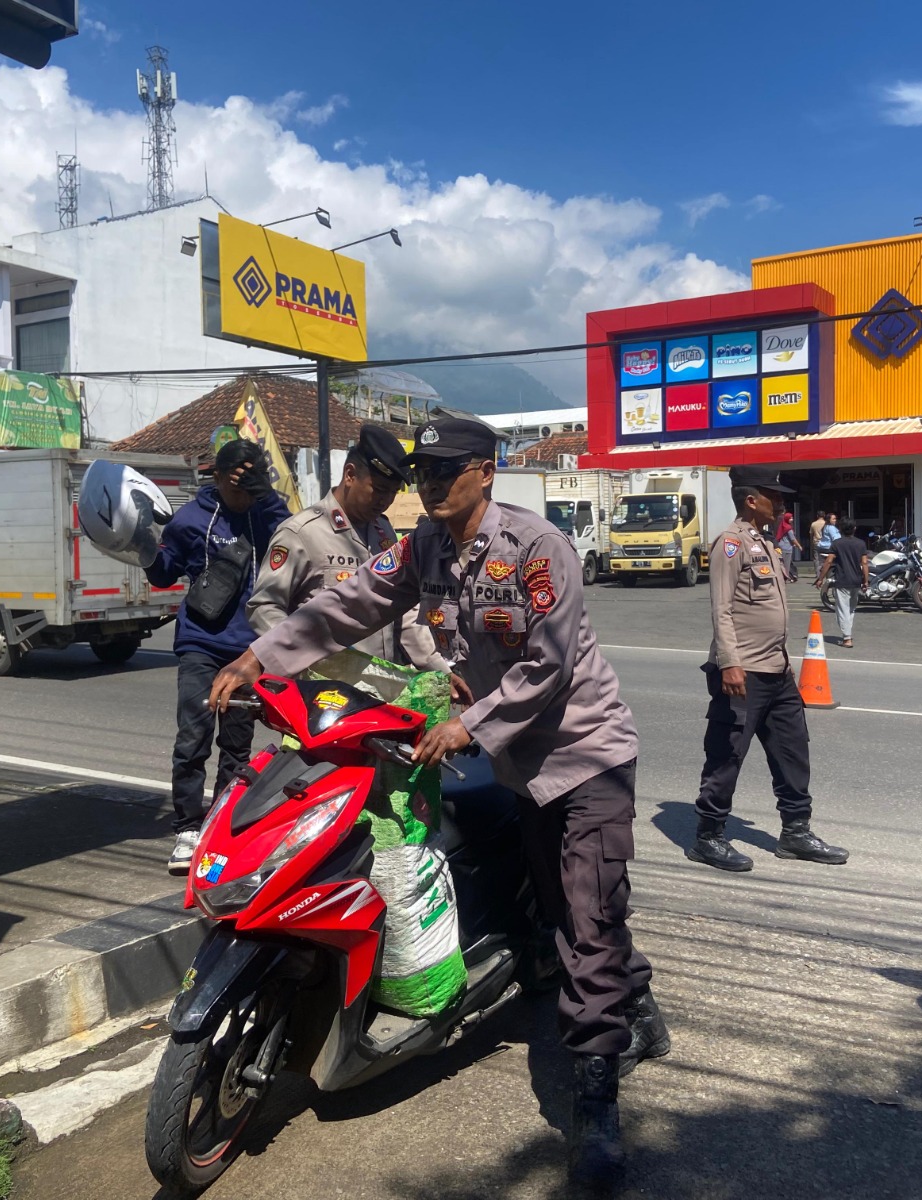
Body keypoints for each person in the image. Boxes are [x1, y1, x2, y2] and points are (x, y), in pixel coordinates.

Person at [208, 417, 668, 1185]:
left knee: (586, 922)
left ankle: (596, 1117)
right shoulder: (424, 547)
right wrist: (259, 655)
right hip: (521, 766)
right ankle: (638, 1001)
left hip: (585, 758)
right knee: (567, 913)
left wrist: (467, 725)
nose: (427, 486)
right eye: (421, 473)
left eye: (444, 472)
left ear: (486, 472)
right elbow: (346, 606)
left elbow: (546, 666)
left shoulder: (537, 549)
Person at [686, 465, 850, 874]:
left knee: (793, 751)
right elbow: (721, 609)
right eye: (772, 496)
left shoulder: (767, 544)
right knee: (726, 755)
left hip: (777, 670)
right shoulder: (730, 543)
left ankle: (795, 832)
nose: (780, 503)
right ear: (750, 500)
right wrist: (730, 663)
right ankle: (708, 835)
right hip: (743, 672)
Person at [146, 439, 290, 873]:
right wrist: (142, 547)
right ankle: (188, 829)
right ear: (224, 476)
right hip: (200, 645)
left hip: (250, 650)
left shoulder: (268, 512)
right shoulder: (192, 518)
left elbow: (297, 545)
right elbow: (164, 572)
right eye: (242, 478)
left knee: (237, 746)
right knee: (192, 738)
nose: (247, 487)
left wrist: (266, 498)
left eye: (255, 476)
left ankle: (222, 825)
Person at [247, 424, 451, 673]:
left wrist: (437, 669)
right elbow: (264, 606)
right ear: (350, 475)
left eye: (393, 493)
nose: (385, 501)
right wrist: (301, 659)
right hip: (324, 689)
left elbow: (405, 614)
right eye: (379, 490)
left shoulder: (384, 532)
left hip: (382, 685)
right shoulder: (301, 532)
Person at [814, 524, 870, 648]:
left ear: (841, 530)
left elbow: (828, 561)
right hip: (856, 580)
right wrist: (866, 581)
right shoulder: (861, 543)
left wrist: (820, 578)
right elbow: (865, 562)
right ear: (854, 529)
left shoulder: (837, 544)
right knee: (850, 609)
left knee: (842, 609)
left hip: (842, 580)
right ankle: (847, 633)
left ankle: (847, 638)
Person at [775, 509, 802, 582]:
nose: (792, 519)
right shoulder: (788, 528)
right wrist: (799, 546)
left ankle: (785, 577)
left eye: (792, 518)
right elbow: (793, 539)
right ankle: (784, 578)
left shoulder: (784, 525)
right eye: (790, 518)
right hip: (786, 548)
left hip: (782, 546)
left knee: (783, 563)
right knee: (786, 564)